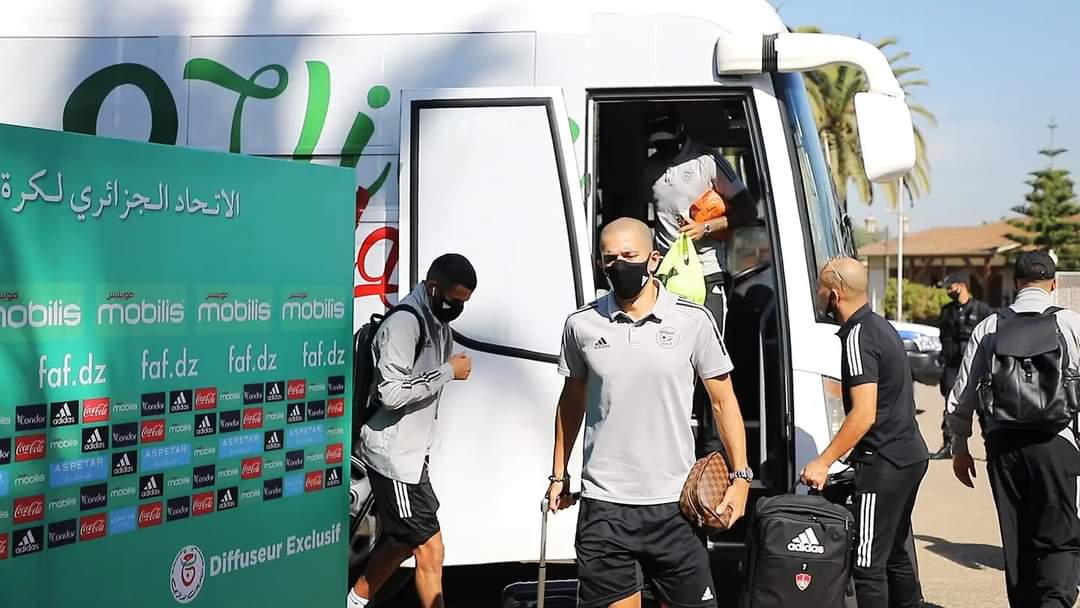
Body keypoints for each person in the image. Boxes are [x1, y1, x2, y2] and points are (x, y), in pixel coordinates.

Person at [547, 217, 752, 608]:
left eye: (630, 255)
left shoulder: (693, 320)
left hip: (675, 505)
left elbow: (723, 401)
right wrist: (559, 473)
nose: (619, 265)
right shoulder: (581, 325)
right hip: (604, 508)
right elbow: (571, 401)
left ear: (653, 259)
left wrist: (741, 478)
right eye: (610, 259)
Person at [947, 251, 1080, 608]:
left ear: (1017, 283)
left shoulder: (989, 327)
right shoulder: (1072, 323)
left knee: (1016, 535)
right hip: (1057, 442)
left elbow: (961, 395)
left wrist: (960, 446)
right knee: (1059, 535)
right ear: (1054, 284)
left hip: (1003, 445)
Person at [347, 254, 476, 608]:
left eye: (464, 302)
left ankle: (356, 599)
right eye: (453, 300)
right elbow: (390, 393)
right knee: (428, 548)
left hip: (413, 457)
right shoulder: (405, 324)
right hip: (394, 457)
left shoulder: (437, 321)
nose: (456, 309)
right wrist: (447, 372)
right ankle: (356, 599)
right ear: (433, 288)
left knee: (406, 541)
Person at [800, 257, 928, 608]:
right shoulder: (880, 326)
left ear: (835, 294)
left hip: (883, 463)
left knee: (868, 563)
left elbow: (863, 414)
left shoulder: (858, 336)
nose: (817, 293)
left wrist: (823, 462)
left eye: (820, 287)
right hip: (909, 456)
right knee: (895, 551)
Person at [644, 110, 758, 456]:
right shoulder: (650, 168)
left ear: (681, 133)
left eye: (669, 144)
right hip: (666, 277)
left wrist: (705, 227)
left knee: (710, 362)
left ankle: (713, 450)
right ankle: (669, 444)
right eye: (658, 145)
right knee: (666, 362)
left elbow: (747, 210)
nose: (664, 151)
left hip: (707, 274)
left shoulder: (707, 161)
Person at [931, 273, 992, 459]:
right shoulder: (947, 311)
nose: (948, 291)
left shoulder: (982, 309)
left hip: (977, 365)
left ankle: (991, 446)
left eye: (950, 287)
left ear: (962, 285)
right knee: (951, 406)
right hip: (952, 365)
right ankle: (949, 445)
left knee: (984, 408)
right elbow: (943, 337)